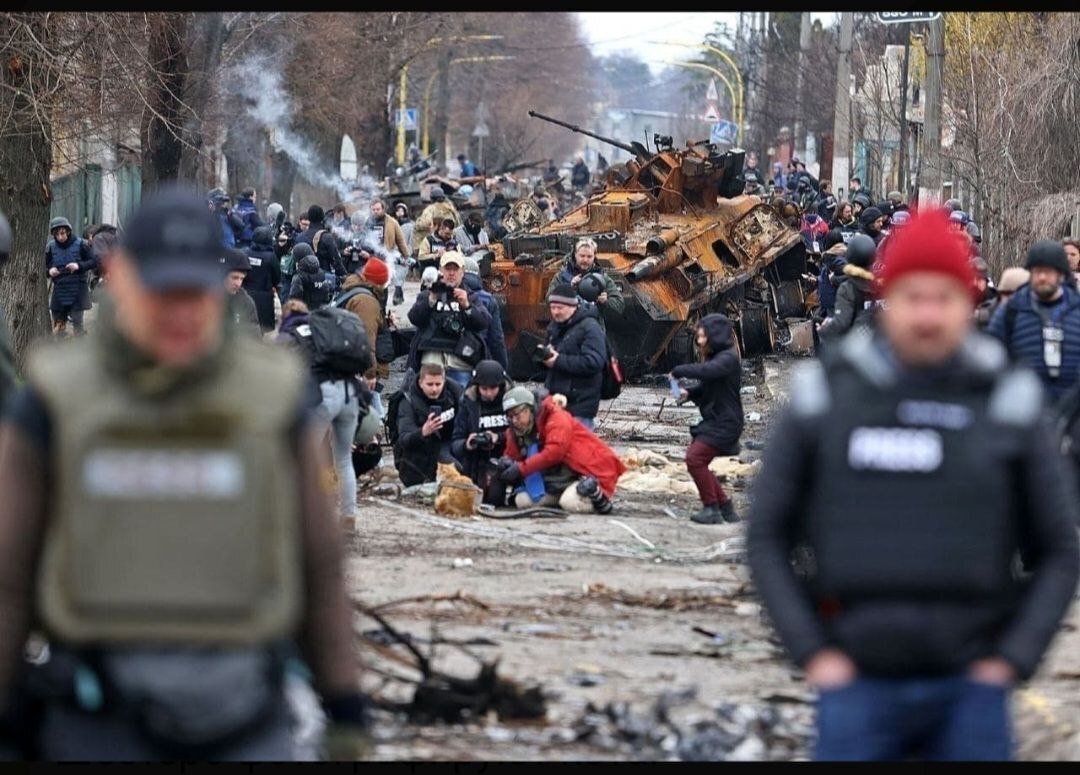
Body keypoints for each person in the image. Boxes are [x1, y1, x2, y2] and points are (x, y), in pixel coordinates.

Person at [0, 187, 371, 761]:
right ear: (122, 280)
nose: (178, 313)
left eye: (192, 294)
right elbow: (9, 573)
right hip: (96, 715)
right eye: (160, 292)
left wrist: (346, 707)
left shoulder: (271, 396)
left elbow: (318, 564)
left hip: (245, 710)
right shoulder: (56, 399)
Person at [747, 209, 1080, 762]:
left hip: (971, 689)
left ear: (968, 302)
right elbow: (766, 536)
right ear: (886, 300)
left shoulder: (1008, 404)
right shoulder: (826, 400)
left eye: (943, 298)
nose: (927, 315)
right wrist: (813, 654)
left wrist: (1010, 661)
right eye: (912, 297)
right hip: (855, 684)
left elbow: (1061, 548)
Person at [496, 387, 626, 514]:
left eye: (517, 415)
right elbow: (512, 455)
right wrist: (506, 464)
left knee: (570, 503)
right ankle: (565, 497)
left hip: (585, 472)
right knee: (522, 501)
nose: (514, 421)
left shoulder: (557, 418)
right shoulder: (517, 429)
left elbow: (554, 453)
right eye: (510, 416)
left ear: (529, 409)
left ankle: (598, 496)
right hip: (555, 480)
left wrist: (520, 469)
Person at [671, 314, 743, 524]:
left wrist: (679, 370)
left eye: (703, 337)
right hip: (717, 420)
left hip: (725, 422)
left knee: (694, 459)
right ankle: (725, 507)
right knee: (698, 460)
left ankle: (711, 508)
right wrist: (689, 394)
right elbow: (707, 388)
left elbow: (707, 372)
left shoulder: (727, 359)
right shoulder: (717, 357)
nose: (699, 341)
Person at [987, 240, 1080, 405]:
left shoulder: (1076, 310)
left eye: (1048, 271)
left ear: (1061, 274)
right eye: (1037, 271)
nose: (1042, 277)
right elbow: (989, 362)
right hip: (1024, 415)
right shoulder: (1011, 311)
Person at [406, 251, 491, 388]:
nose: (451, 273)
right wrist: (431, 300)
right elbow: (414, 318)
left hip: (460, 361)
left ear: (462, 272)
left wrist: (467, 306)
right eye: (448, 269)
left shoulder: (471, 296)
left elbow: (484, 323)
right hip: (431, 361)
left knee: (461, 403)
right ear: (440, 271)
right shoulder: (427, 295)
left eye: (455, 269)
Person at [540, 284, 606, 429]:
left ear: (573, 306)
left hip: (580, 404)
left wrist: (558, 360)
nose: (556, 312)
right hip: (556, 401)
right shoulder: (555, 327)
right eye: (552, 308)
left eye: (560, 308)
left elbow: (594, 362)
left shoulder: (590, 327)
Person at [451, 360, 513, 506]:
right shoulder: (468, 402)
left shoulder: (513, 401)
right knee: (486, 499)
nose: (489, 393)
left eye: (493, 388)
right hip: (477, 461)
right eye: (484, 389)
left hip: (508, 456)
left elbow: (524, 433)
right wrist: (467, 444)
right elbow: (455, 441)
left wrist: (498, 437)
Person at [393, 363, 464, 487]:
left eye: (438, 384)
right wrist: (423, 431)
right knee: (453, 469)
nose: (434, 389)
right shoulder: (408, 402)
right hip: (417, 453)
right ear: (421, 383)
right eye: (430, 384)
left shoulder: (454, 394)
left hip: (447, 443)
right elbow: (404, 439)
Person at [547, 237, 624, 328]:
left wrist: (605, 302)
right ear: (575, 255)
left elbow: (619, 305)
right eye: (582, 256)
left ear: (594, 256)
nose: (585, 260)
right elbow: (550, 299)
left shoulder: (601, 278)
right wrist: (569, 287)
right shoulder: (563, 276)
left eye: (589, 256)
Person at [337, 259, 391, 381]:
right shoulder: (366, 302)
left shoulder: (353, 287)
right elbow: (366, 341)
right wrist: (370, 374)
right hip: (358, 371)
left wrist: (382, 321)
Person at [817, 234, 878, 342]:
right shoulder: (887, 282)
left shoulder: (848, 288)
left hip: (859, 345)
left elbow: (841, 323)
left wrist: (824, 330)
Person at [44, 216, 97, 337]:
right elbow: (43, 267)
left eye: (62, 233)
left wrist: (78, 266)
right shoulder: (50, 247)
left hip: (77, 289)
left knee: (78, 327)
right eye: (56, 234)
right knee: (58, 328)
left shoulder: (81, 244)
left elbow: (94, 261)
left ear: (68, 231)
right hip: (59, 290)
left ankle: (79, 352)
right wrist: (49, 271)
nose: (60, 237)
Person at [462, 256, 508, 370]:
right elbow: (496, 339)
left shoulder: (448, 294)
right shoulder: (489, 300)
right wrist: (502, 368)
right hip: (480, 357)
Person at [243, 226, 281, 333]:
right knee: (262, 326)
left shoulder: (246, 253)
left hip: (246, 292)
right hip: (264, 296)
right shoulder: (271, 256)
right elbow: (277, 276)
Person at [294, 205, 345, 284]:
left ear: (309, 218)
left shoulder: (299, 237)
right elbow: (336, 260)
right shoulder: (326, 237)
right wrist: (344, 276)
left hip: (302, 279)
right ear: (322, 217)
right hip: (321, 280)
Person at [351, 370, 384, 480]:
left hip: (361, 443)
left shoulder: (371, 395)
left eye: (373, 386)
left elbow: (377, 422)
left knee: (375, 452)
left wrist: (375, 437)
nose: (371, 389)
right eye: (368, 386)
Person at [222, 248, 261, 338]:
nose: (238, 283)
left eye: (242, 279)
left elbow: (254, 338)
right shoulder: (205, 300)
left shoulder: (246, 303)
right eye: (234, 277)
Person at [412, 187, 460, 255]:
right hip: (451, 244)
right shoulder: (451, 209)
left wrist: (417, 224)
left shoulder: (430, 209)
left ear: (432, 198)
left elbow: (424, 224)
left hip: (435, 246)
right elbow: (458, 224)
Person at [972, 257, 997, 330]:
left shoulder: (995, 300)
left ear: (985, 281)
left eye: (979, 279)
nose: (975, 283)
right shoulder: (961, 301)